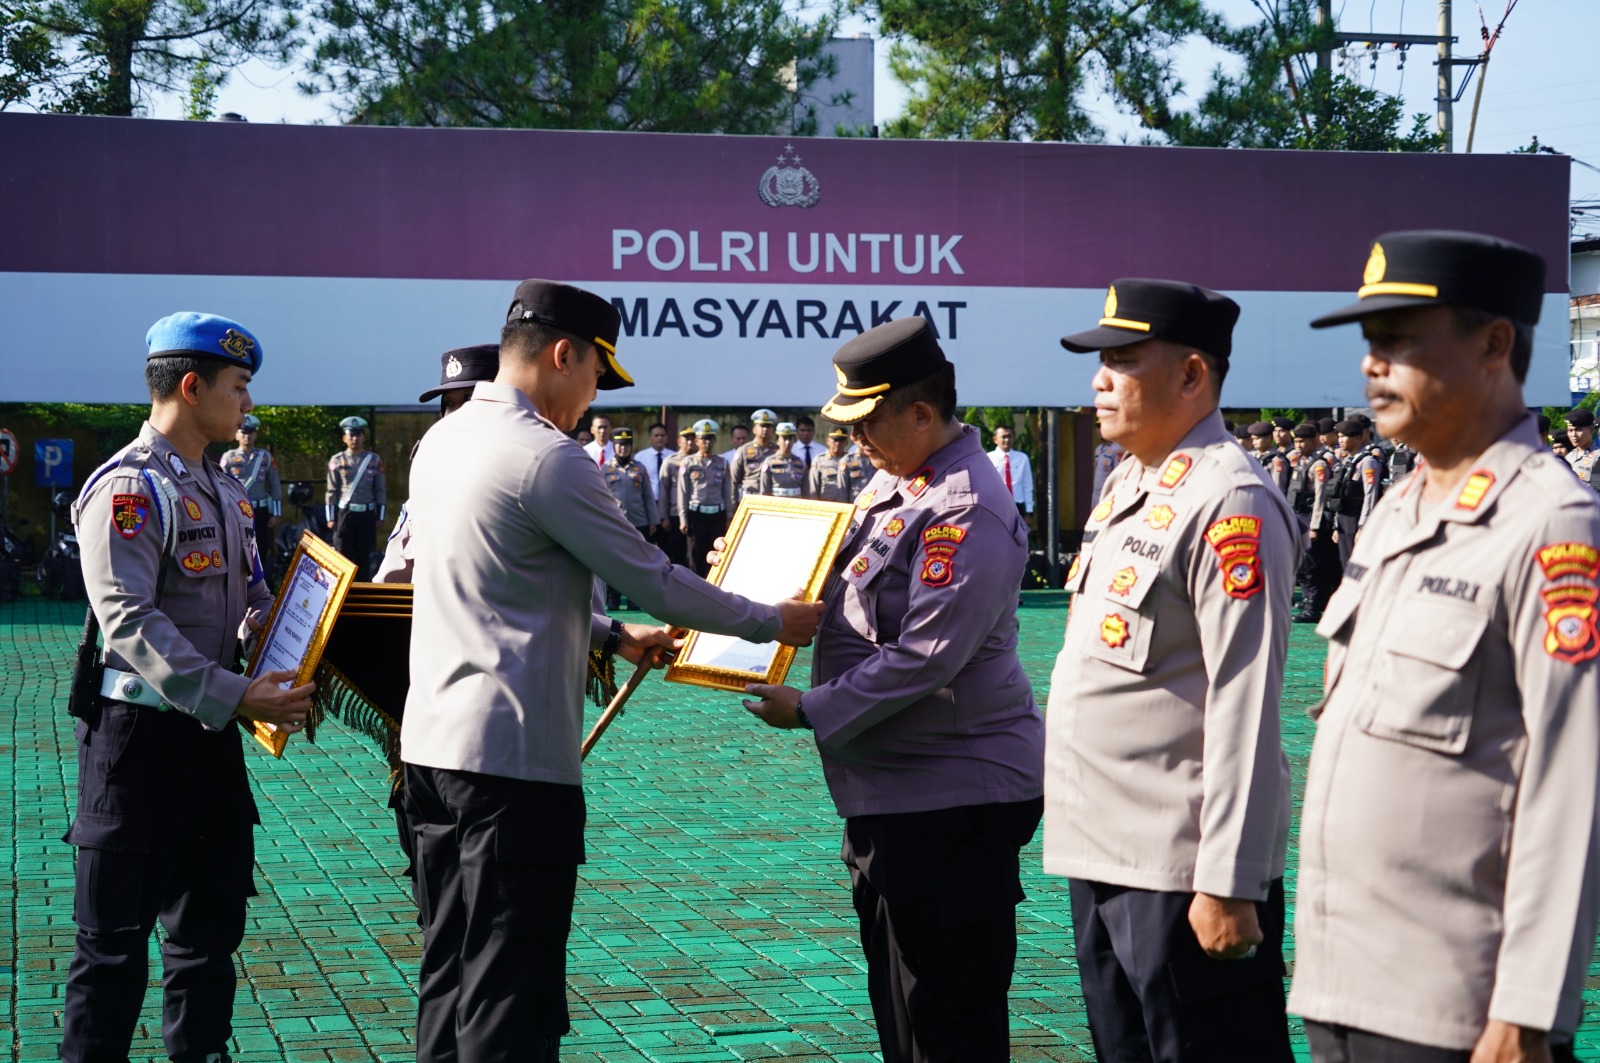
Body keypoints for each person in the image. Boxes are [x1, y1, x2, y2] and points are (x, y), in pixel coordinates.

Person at [401, 280, 822, 1063]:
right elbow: (655, 578)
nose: (594, 396)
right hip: (512, 770)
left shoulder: (442, 442)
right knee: (507, 996)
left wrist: (610, 634)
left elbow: (481, 582)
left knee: (449, 972)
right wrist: (773, 619)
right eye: (597, 373)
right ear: (564, 355)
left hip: (431, 752)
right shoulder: (547, 457)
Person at [1289, 230, 1600, 1063]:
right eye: (1370, 342)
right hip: (1345, 978)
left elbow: (1573, 779)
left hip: (1458, 1003)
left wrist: (1529, 1006)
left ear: (1495, 343)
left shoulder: (1553, 523)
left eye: (1398, 340)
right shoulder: (1400, 509)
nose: (1372, 365)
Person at [742, 317, 1043, 1062]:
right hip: (898, 791)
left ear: (921, 413)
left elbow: (926, 656)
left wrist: (810, 708)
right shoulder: (901, 477)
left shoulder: (963, 504)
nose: (854, 440)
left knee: (947, 1023)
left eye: (865, 423)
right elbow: (847, 579)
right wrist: (754, 575)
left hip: (950, 798)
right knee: (906, 1017)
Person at [1045, 279, 1300, 1063]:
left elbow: (1245, 702)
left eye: (1122, 360)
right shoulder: (1131, 480)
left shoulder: (1231, 499)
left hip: (1182, 868)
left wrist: (1228, 878)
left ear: (1192, 374)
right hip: (1102, 850)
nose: (1100, 380)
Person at [63, 312, 315, 1063]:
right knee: (112, 949)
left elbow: (253, 599)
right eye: (239, 387)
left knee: (208, 938)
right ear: (192, 387)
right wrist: (238, 694)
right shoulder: (130, 488)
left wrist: (287, 634)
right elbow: (128, 620)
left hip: (210, 744)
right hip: (136, 746)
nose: (248, 404)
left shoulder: (227, 490)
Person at [1290, 421, 1341, 622]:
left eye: (1302, 441)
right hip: (1298, 515)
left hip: (1310, 517)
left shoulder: (1319, 464)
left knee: (1312, 565)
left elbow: (1320, 497)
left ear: (1314, 440)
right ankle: (1307, 600)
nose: (1298, 445)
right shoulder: (1301, 462)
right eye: (1296, 441)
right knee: (1301, 564)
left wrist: (1314, 526)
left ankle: (1314, 605)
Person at [325, 414, 386, 579]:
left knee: (364, 558)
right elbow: (331, 491)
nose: (355, 439)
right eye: (351, 435)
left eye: (358, 434)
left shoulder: (374, 460)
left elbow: (380, 490)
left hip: (367, 514)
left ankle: (363, 592)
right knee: (343, 556)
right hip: (346, 514)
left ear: (363, 437)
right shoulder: (337, 460)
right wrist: (331, 518)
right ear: (344, 438)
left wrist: (380, 516)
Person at [601, 427, 656, 608]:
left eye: (626, 445)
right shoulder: (605, 468)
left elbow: (648, 496)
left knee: (638, 562)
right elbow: (600, 497)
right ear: (614, 446)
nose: (623, 448)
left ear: (631, 446)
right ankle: (613, 598)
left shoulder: (639, 468)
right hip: (615, 522)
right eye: (619, 445)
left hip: (639, 522)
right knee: (614, 562)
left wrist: (653, 521)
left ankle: (635, 599)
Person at [679, 419, 735, 577]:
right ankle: (695, 588)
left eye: (710, 438)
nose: (707, 443)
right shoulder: (688, 462)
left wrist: (729, 516)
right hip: (696, 515)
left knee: (717, 554)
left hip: (717, 515)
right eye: (703, 439)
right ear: (696, 441)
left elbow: (727, 491)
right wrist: (683, 518)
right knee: (695, 556)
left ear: (715, 441)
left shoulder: (722, 462)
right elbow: (683, 492)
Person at [1328, 417, 1385, 566]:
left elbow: (1370, 495)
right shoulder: (1347, 461)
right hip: (1344, 517)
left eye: (1344, 436)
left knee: (1357, 563)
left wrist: (1363, 526)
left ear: (1357, 438)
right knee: (1345, 562)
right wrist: (1336, 525)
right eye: (1339, 436)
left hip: (1356, 517)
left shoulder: (1367, 462)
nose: (1340, 440)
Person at [219, 413, 281, 549]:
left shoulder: (265, 456)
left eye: (251, 432)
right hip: (237, 509)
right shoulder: (228, 457)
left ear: (256, 435)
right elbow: (221, 485)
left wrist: (276, 513)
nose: (247, 436)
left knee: (261, 546)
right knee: (238, 546)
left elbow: (274, 484)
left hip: (260, 510)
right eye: (244, 432)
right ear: (237, 435)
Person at [656, 425, 696, 566]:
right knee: (677, 554)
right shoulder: (670, 461)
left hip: (695, 513)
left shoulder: (699, 461)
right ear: (679, 441)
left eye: (692, 439)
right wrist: (664, 517)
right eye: (686, 439)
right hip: (675, 514)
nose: (690, 442)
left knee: (694, 555)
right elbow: (663, 490)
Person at [728, 408, 779, 502]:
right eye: (762, 426)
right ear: (754, 429)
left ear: (772, 430)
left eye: (768, 426)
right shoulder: (743, 450)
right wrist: (733, 504)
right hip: (750, 498)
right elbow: (734, 480)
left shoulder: (777, 451)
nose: (765, 429)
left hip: (771, 499)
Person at [988, 424, 1034, 521]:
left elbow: (1027, 485)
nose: (1007, 440)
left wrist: (1029, 510)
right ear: (995, 439)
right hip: (997, 505)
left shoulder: (1022, 458)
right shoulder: (988, 458)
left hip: (1018, 506)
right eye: (1003, 437)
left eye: (1009, 436)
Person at [809, 426, 864, 502]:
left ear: (846, 442)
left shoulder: (852, 461)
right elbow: (813, 487)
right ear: (828, 441)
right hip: (827, 504)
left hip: (848, 504)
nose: (838, 443)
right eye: (835, 440)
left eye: (841, 440)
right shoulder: (819, 460)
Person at [756, 422, 806, 497]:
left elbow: (806, 491)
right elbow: (764, 491)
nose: (787, 442)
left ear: (794, 441)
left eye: (790, 439)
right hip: (776, 502)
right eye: (784, 438)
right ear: (777, 441)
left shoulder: (800, 463)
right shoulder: (769, 462)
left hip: (796, 502)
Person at [1248, 420, 1292, 495]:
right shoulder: (1255, 456)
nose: (1254, 442)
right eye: (1253, 439)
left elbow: (1278, 487)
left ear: (1268, 438)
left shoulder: (1276, 459)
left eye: (1257, 439)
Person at [1563, 407, 1599, 489]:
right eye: (1570, 430)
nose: (1573, 435)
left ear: (1591, 430)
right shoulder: (1569, 456)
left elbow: (1597, 490)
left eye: (1578, 430)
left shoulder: (1597, 457)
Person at [1090, 423, 1126, 503]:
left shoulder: (1118, 449)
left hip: (1109, 495)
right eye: (1097, 428)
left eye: (1101, 427)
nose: (1098, 431)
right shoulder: (1099, 449)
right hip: (1097, 495)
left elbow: (1119, 475)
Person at [642, 421, 672, 508]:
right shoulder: (640, 457)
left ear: (667, 438)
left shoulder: (673, 457)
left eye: (662, 435)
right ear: (649, 438)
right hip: (648, 501)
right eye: (656, 435)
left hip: (669, 501)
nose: (659, 438)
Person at [791, 414, 822, 480]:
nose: (806, 433)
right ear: (797, 431)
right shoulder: (792, 450)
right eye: (802, 430)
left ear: (814, 431)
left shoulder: (822, 450)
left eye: (809, 430)